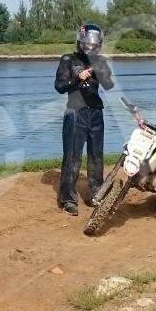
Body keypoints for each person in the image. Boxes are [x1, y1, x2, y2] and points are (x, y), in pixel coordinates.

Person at [54, 23, 114, 215]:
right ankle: (67, 199)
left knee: (96, 156)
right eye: (87, 44)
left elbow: (109, 85)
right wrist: (78, 78)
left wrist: (100, 72)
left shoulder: (100, 61)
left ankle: (96, 193)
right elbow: (59, 86)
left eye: (94, 45)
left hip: (96, 112)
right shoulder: (68, 60)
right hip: (75, 112)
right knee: (72, 156)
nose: (90, 47)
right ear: (80, 42)